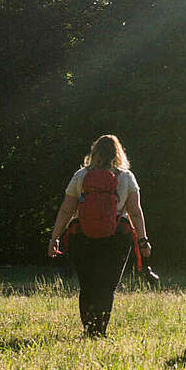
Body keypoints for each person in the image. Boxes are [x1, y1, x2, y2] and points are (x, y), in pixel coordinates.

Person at [48, 135, 151, 338]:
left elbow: (66, 210)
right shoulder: (126, 177)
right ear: (118, 153)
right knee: (106, 287)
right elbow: (135, 212)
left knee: (87, 286)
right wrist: (143, 240)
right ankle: (100, 331)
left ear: (94, 153)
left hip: (83, 237)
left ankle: (88, 329)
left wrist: (54, 238)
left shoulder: (80, 176)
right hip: (116, 239)